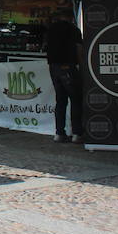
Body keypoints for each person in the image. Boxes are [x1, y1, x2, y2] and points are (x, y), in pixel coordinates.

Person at [46, 13, 84, 143]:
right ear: (72, 18)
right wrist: (81, 66)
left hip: (53, 67)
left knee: (60, 100)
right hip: (68, 66)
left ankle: (59, 133)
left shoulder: (51, 29)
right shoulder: (74, 30)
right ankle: (77, 133)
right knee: (76, 99)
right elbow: (79, 49)